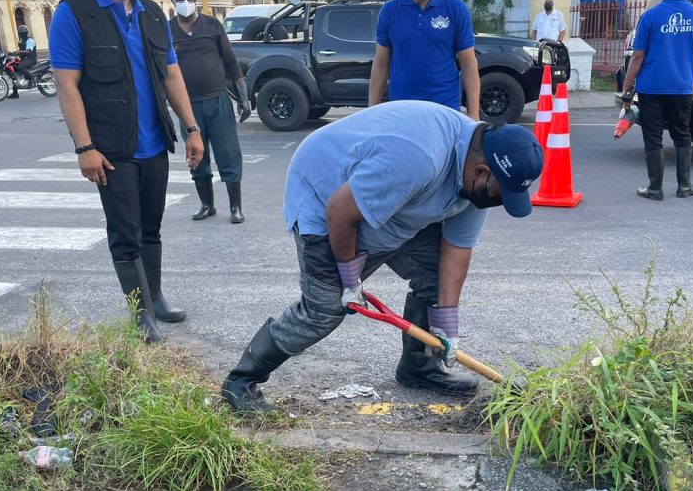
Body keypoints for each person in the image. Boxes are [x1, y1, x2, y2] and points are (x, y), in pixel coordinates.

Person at [221, 101, 544, 412]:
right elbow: (339, 211)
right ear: (481, 172)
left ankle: (418, 367)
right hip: (326, 196)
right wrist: (350, 281)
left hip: (397, 201)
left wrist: (447, 324)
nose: (499, 203)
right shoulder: (419, 157)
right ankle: (242, 380)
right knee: (324, 310)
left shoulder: (476, 179)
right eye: (501, 195)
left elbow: (457, 248)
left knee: (434, 276)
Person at [49, 0, 205, 341]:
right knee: (125, 232)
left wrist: (192, 128)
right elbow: (67, 85)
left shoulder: (151, 13)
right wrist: (84, 146)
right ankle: (139, 314)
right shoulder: (74, 13)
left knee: (151, 227)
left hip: (154, 143)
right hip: (111, 147)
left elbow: (171, 74)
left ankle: (155, 299)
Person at [168, 0, 251, 224]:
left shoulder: (212, 25)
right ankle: (207, 204)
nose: (185, 1)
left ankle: (235, 207)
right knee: (196, 155)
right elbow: (161, 69)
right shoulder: (166, 30)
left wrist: (243, 97)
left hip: (218, 100)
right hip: (187, 106)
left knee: (229, 153)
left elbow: (230, 61)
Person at [620, 0, 693, 200]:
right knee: (682, 133)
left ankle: (655, 188)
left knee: (653, 135)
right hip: (682, 86)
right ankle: (684, 186)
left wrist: (627, 88)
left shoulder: (649, 16)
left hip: (651, 87)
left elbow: (638, 56)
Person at [368, 0, 480, 120]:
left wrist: (474, 115)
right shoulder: (390, 11)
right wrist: (371, 114)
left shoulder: (455, 9)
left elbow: (468, 64)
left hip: (444, 110)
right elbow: (381, 64)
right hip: (401, 111)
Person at [9, 24, 37, 99]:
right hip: (25, 59)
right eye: (20, 33)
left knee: (21, 67)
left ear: (26, 33)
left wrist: (18, 52)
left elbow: (28, 51)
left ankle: (32, 80)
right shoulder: (21, 41)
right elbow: (21, 51)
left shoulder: (30, 41)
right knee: (14, 70)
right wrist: (10, 53)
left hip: (31, 59)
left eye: (23, 33)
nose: (21, 34)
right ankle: (15, 93)